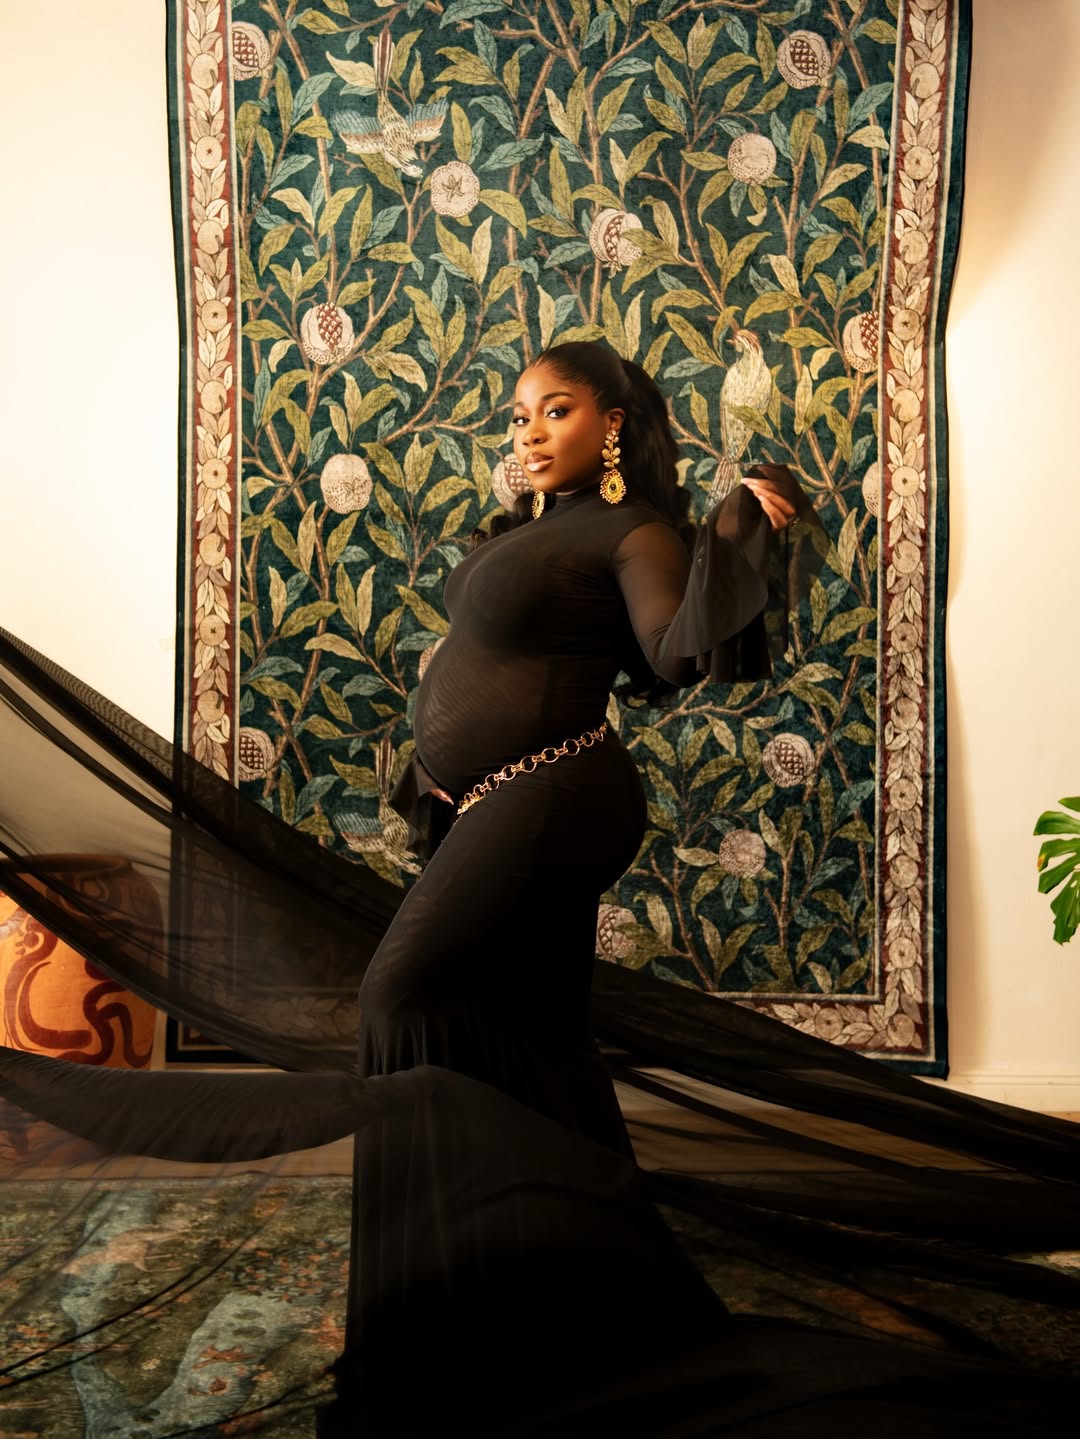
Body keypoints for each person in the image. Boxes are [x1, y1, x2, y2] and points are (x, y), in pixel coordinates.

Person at [1, 344, 1078, 1437]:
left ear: (610, 422)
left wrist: (737, 532)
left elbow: (669, 650)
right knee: (523, 1039)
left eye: (554, 410)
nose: (526, 430)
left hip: (558, 792)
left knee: (399, 1002)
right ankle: (544, 1311)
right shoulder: (524, 531)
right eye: (517, 414)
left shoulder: (635, 530)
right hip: (500, 802)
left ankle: (418, 1327)